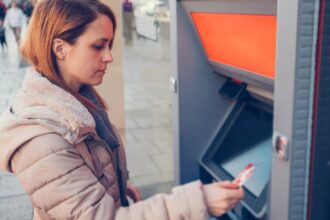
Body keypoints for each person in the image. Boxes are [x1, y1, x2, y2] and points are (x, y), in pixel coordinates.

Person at [0, 0, 244, 219]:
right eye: (98, 46)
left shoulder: (77, 99)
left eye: (110, 45)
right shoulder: (42, 141)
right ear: (60, 48)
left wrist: (116, 186)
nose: (109, 57)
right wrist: (199, 201)